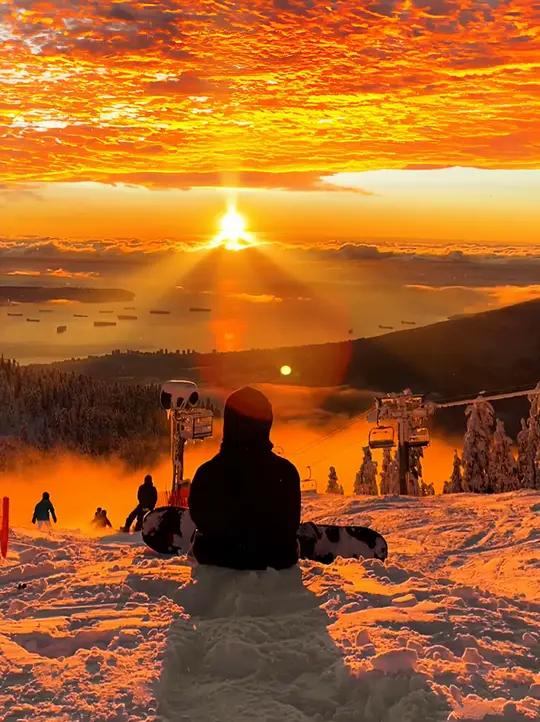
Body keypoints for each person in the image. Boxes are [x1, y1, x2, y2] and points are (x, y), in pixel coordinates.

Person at [189, 386, 301, 570]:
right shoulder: (286, 473)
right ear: (267, 424)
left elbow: (200, 518)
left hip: (218, 561)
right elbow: (290, 523)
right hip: (276, 561)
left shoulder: (207, 474)